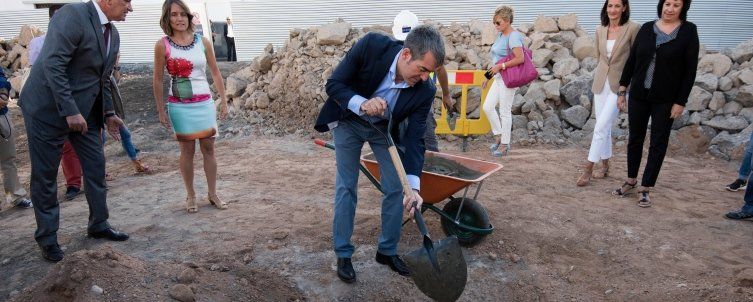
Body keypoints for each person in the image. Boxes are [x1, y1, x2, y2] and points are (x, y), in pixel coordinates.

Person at [314, 26, 445, 283]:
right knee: (347, 185)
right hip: (349, 120)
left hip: (383, 129)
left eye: (430, 73)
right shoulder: (373, 46)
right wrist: (361, 102)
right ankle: (343, 253)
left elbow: (415, 138)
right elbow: (334, 84)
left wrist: (414, 187)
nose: (425, 77)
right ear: (406, 54)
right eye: (422, 69)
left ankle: (387, 251)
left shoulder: (425, 90)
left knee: (397, 188)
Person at [19, 0, 133, 262]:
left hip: (85, 114)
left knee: (95, 167)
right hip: (46, 110)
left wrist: (108, 113)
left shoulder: (112, 33)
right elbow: (53, 64)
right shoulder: (72, 14)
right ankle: (48, 238)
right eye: (127, 1)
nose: (130, 7)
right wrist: (69, 110)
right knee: (46, 176)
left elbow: (101, 79)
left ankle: (99, 224)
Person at [612, 0, 698, 207]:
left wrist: (680, 101)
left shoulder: (688, 31)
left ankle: (646, 187)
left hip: (666, 98)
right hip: (640, 94)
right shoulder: (646, 28)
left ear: (683, 8)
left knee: (658, 142)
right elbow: (632, 60)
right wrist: (623, 88)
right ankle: (631, 180)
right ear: (661, 5)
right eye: (667, 3)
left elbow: (690, 70)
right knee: (635, 138)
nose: (670, 8)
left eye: (676, 5)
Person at [153, 0, 229, 213]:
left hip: (204, 104)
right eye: (174, 15)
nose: (179, 19)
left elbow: (215, 72)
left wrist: (223, 101)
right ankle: (191, 195)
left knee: (209, 149)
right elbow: (158, 80)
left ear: (188, 17)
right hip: (180, 106)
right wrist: (160, 109)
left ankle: (212, 193)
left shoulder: (202, 42)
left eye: (182, 14)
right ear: (167, 19)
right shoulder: (162, 45)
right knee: (187, 151)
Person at [577, 0, 640, 186]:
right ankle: (605, 166)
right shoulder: (600, 29)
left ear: (624, 8)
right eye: (609, 6)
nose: (612, 9)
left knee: (601, 126)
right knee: (602, 125)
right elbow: (600, 57)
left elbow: (636, 58)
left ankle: (588, 168)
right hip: (601, 83)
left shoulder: (633, 29)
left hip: (620, 86)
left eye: (617, 6)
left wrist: (626, 87)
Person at [27, 4, 86, 202]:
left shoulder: (79, 36)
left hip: (76, 101)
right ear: (52, 19)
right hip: (46, 105)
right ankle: (72, 184)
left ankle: (80, 181)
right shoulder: (38, 42)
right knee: (57, 155)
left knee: (80, 145)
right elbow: (44, 70)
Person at [392, 10, 453, 152]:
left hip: (422, 96)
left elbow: (440, 69)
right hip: (399, 97)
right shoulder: (392, 48)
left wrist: (446, 94)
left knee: (426, 136)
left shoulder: (427, 49)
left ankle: (430, 160)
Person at [481, 5, 525, 157]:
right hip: (499, 76)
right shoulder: (501, 35)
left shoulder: (513, 36)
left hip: (509, 78)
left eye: (497, 22)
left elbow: (520, 58)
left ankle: (505, 145)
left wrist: (501, 66)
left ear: (506, 21)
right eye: (494, 22)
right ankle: (499, 136)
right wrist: (488, 76)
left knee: (505, 112)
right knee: (487, 107)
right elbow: (497, 59)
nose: (495, 25)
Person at [0, 68, 32, 210]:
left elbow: (2, 78)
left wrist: (3, 92)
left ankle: (16, 196)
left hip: (2, 115)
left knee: (9, 159)